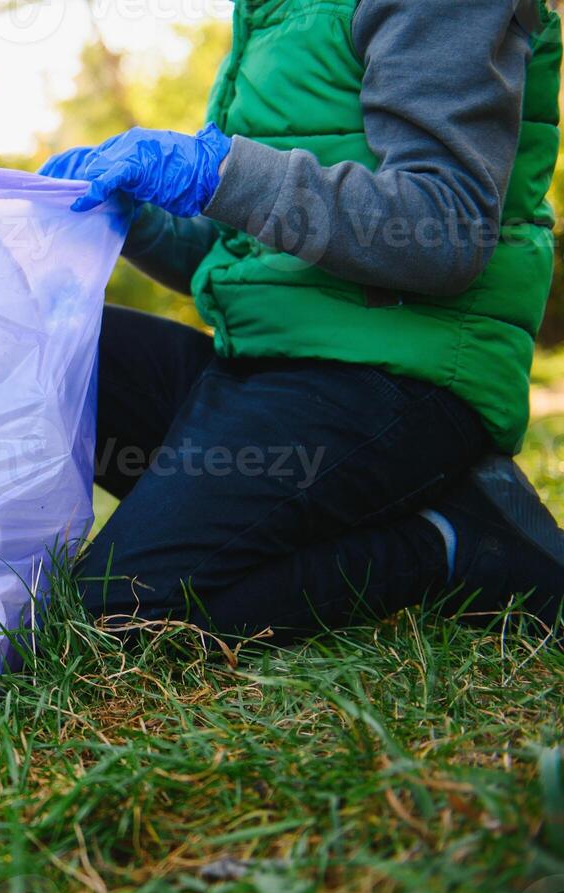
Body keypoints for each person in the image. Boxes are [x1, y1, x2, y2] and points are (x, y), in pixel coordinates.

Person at [39, 0, 564, 639]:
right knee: (42, 350)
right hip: (260, 367)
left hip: (395, 380)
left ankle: (452, 544)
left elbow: (443, 230)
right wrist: (134, 216)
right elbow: (252, 261)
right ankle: (350, 513)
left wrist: (218, 173)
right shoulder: (273, 14)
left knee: (109, 614)